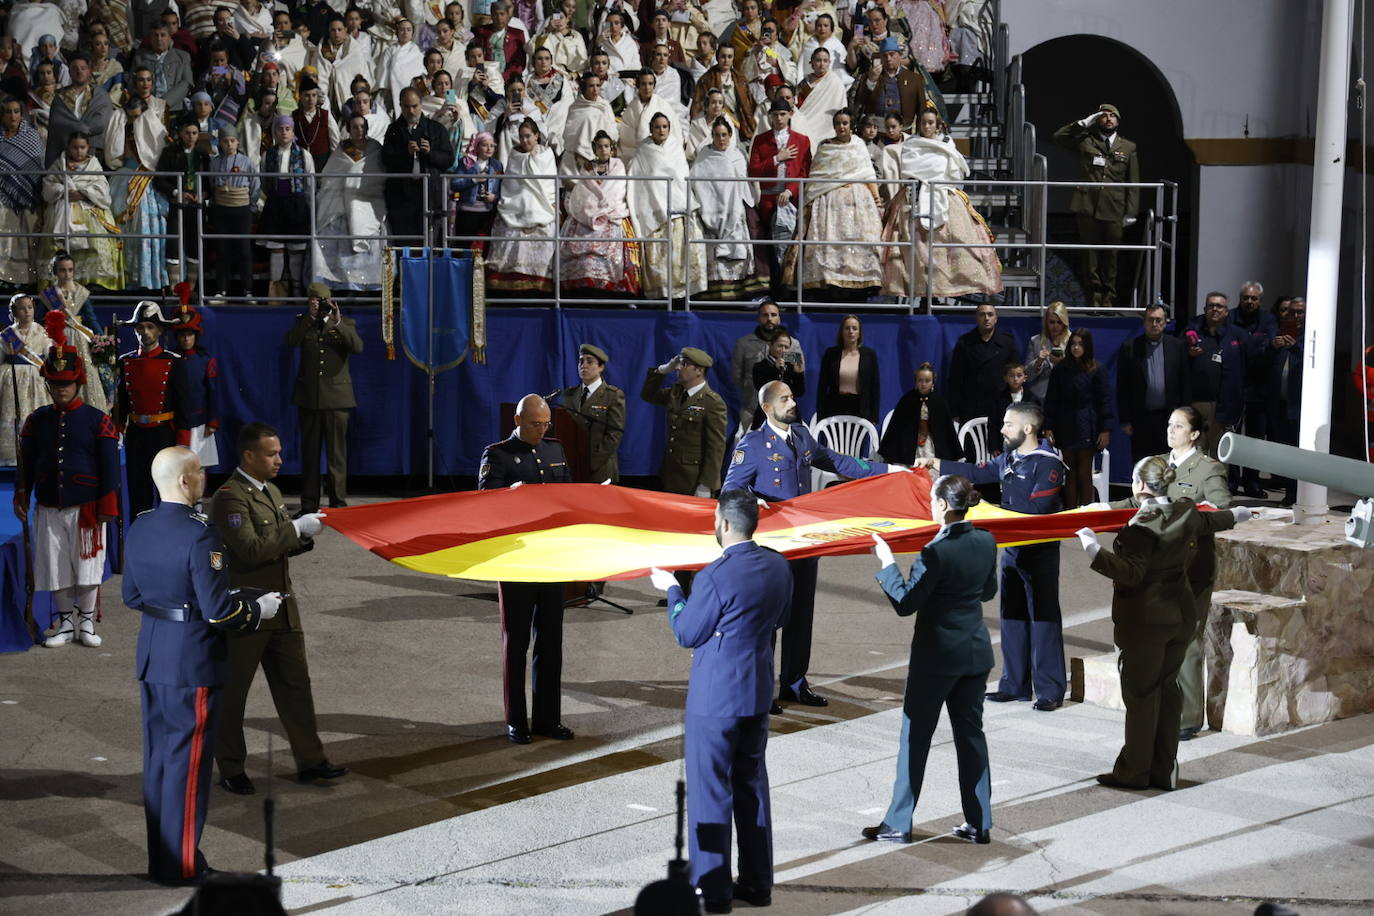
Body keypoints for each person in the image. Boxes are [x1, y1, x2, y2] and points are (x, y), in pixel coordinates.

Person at [123, 446, 279, 885]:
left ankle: (163, 859)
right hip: (192, 658)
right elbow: (217, 611)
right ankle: (182, 865)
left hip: (154, 654)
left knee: (158, 762)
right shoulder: (201, 535)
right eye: (199, 473)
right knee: (188, 767)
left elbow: (132, 597)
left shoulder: (140, 527)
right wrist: (257, 610)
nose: (204, 478)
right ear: (186, 482)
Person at [645, 490, 790, 913]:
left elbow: (687, 633)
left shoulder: (714, 575)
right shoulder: (780, 566)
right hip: (757, 691)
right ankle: (758, 883)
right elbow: (780, 618)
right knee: (751, 789)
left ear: (724, 524)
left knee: (711, 792)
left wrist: (673, 590)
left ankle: (713, 891)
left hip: (716, 697)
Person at [1077, 455, 1249, 790]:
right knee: (1168, 691)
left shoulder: (1142, 527)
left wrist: (1094, 550)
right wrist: (1237, 516)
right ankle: (1164, 769)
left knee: (1142, 696)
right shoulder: (1184, 511)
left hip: (1145, 621)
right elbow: (1209, 522)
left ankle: (1135, 772)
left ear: (1139, 484)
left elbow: (1132, 573)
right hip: (1179, 614)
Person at [725, 379, 897, 708]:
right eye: (785, 399)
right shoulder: (752, 444)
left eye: (792, 397)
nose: (793, 403)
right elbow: (731, 490)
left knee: (801, 615)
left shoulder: (802, 436)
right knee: (768, 618)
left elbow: (838, 462)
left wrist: (890, 470)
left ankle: (794, 682)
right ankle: (761, 689)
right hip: (771, 548)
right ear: (767, 408)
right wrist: (752, 502)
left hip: (804, 542)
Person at [210, 422, 345, 793]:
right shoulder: (229, 497)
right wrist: (295, 529)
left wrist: (305, 534)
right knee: (233, 693)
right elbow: (250, 550)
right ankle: (232, 767)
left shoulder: (268, 489)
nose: (279, 460)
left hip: (282, 607)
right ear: (249, 455)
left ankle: (311, 761)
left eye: (279, 453)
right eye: (271, 454)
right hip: (247, 612)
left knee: (296, 689)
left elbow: (279, 542)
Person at [863, 473, 996, 844]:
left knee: (915, 738)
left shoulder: (935, 551)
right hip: (975, 652)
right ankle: (980, 821)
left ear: (940, 505)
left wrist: (887, 562)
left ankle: (898, 822)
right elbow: (988, 591)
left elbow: (906, 603)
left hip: (937, 657)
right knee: (971, 738)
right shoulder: (986, 540)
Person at [1094, 405, 1229, 742]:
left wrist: (1182, 518)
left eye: (1179, 426)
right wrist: (1100, 510)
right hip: (1156, 565)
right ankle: (1161, 707)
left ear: (1195, 434)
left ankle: (1188, 717)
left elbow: (1219, 508)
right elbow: (1136, 501)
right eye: (1169, 424)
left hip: (1192, 565)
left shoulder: (1207, 469)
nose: (1171, 431)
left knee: (1188, 638)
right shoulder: (1158, 463)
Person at [931, 403, 1067, 711]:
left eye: (1008, 424)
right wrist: (933, 462)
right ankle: (1014, 684)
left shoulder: (1047, 463)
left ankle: (1050, 689)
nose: (1002, 429)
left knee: (1043, 619)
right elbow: (974, 472)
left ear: (1028, 428)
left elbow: (1037, 511)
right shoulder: (1010, 458)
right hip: (1012, 550)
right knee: (1012, 616)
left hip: (1040, 550)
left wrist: (988, 514)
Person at [477, 394, 576, 744]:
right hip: (517, 559)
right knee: (516, 642)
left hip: (550, 558)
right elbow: (485, 502)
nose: (542, 429)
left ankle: (548, 718)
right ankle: (516, 720)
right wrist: (509, 494)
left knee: (551, 642)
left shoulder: (555, 450)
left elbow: (567, 494)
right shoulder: (498, 454)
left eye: (546, 423)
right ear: (518, 420)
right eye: (536, 424)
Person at [15, 332, 120, 649]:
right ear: (48, 384)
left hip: (86, 509)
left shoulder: (98, 421)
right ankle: (65, 622)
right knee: (56, 565)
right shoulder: (36, 421)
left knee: (87, 567)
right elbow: (28, 464)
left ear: (78, 383)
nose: (62, 388)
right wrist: (22, 493)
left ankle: (86, 621)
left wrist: (108, 506)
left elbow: (110, 469)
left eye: (67, 383)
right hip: (48, 505)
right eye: (56, 383)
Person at [880, 104, 1001, 299]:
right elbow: (910, 169)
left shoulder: (946, 142)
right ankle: (920, 292)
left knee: (947, 244)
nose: (926, 126)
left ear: (937, 125)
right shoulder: (911, 144)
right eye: (923, 123)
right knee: (915, 246)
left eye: (930, 123)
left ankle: (944, 291)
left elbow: (954, 171)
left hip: (944, 193)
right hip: (915, 194)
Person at [286, 284, 363, 514]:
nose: (320, 305)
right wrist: (309, 317)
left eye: (323, 301)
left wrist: (337, 321)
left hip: (337, 399)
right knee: (309, 455)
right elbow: (291, 341)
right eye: (316, 301)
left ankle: (338, 503)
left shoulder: (344, 323)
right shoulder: (303, 322)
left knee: (336, 456)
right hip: (309, 399)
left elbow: (357, 347)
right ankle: (309, 504)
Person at [1052, 103, 1139, 307]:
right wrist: (1083, 123)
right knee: (1090, 259)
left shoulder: (1128, 147)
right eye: (1103, 116)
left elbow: (1133, 182)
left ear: (1118, 121)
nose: (1108, 119)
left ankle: (1108, 302)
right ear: (1097, 120)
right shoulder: (1086, 141)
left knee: (1111, 259)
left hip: (1114, 208)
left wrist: (1131, 211)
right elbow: (1059, 137)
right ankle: (1094, 302)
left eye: (1112, 116)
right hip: (1088, 207)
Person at [788, 108, 882, 295]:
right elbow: (817, 176)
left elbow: (867, 173)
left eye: (845, 123)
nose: (841, 127)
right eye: (838, 123)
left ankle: (859, 286)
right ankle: (829, 284)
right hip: (828, 202)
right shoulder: (825, 146)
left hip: (857, 202)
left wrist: (877, 199)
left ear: (851, 125)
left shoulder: (859, 145)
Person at [115, 301, 188, 519]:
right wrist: (118, 429)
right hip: (136, 434)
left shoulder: (173, 362)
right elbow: (122, 401)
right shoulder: (126, 361)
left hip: (163, 434)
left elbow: (184, 404)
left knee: (167, 493)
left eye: (150, 327)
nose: (145, 332)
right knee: (138, 493)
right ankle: (140, 537)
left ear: (160, 330)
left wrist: (183, 442)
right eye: (140, 328)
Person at [628, 112, 708, 300]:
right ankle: (662, 296)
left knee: (684, 254)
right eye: (657, 127)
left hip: (679, 209)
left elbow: (681, 177)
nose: (661, 130)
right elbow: (637, 182)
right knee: (660, 256)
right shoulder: (643, 151)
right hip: (655, 212)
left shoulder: (675, 148)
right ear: (651, 129)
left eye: (664, 126)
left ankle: (685, 297)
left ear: (670, 128)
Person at [560, 130, 641, 294]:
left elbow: (617, 189)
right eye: (599, 147)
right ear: (594, 149)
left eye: (606, 146)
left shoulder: (618, 165)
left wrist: (604, 204)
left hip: (612, 211)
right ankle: (582, 285)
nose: (603, 150)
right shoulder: (587, 167)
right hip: (588, 212)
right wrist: (594, 207)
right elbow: (582, 190)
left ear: (612, 148)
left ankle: (613, 287)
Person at [312, 114, 387, 291]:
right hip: (339, 200)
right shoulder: (343, 148)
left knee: (363, 216)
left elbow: (379, 174)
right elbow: (330, 175)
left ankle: (369, 285)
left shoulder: (375, 147)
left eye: (362, 127)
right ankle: (342, 284)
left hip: (368, 197)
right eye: (355, 127)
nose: (359, 130)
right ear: (349, 129)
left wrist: (359, 187)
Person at [641, 347, 728, 499]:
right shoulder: (676, 393)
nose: (678, 368)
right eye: (679, 364)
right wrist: (662, 370)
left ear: (699, 371)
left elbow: (716, 447)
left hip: (693, 478)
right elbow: (648, 395)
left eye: (684, 364)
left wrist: (706, 484)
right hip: (670, 473)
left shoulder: (712, 402)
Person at [41, 131, 123, 290]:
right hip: (63, 208)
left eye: (82, 147)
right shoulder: (59, 164)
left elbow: (102, 190)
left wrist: (84, 192)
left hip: (89, 207)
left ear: (88, 148)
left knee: (96, 242)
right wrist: (64, 190)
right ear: (68, 148)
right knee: (55, 244)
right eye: (75, 147)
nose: (78, 151)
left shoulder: (94, 165)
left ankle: (93, 281)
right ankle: (57, 282)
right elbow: (48, 186)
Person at [747, 96, 811, 296]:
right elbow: (753, 171)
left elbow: (805, 171)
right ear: (769, 116)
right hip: (767, 201)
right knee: (769, 249)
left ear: (790, 114)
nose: (779, 119)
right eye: (775, 115)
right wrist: (776, 158)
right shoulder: (761, 140)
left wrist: (791, 190)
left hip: (791, 199)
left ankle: (791, 292)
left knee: (792, 248)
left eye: (783, 114)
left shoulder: (802, 140)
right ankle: (772, 291)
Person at [485, 118, 558, 293]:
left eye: (528, 136)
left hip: (541, 203)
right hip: (516, 201)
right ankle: (506, 285)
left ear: (537, 136)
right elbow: (511, 184)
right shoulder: (514, 154)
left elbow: (549, 184)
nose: (524, 141)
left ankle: (540, 285)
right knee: (508, 229)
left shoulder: (546, 154)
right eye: (521, 137)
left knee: (546, 227)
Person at [1043, 329, 1113, 509]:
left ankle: (1086, 512)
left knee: (1084, 471)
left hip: (1087, 424)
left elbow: (1104, 401)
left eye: (1080, 344)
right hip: (1065, 423)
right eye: (1073, 344)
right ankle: (1070, 511)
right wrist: (1048, 426)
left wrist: (1105, 430)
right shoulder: (1060, 369)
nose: (1075, 347)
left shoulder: (1097, 368)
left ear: (1087, 346)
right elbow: (1052, 399)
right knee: (1069, 471)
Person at [1117, 303, 1191, 465]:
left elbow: (1185, 384)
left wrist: (1185, 418)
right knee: (1142, 466)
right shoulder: (1130, 348)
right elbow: (1122, 387)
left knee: (1168, 464)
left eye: (1158, 320)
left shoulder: (1177, 346)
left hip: (1169, 418)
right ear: (1144, 323)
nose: (1154, 324)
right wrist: (1125, 420)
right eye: (1150, 320)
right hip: (1140, 419)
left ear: (1165, 323)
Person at [381, 87, 457, 245]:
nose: (411, 111)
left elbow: (449, 159)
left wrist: (430, 153)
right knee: (405, 245)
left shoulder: (436, 129)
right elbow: (386, 158)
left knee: (431, 245)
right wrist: (405, 153)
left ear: (421, 105)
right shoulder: (393, 130)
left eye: (414, 106)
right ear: (400, 106)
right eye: (406, 107)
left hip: (430, 196)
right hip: (402, 199)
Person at [1180, 291, 1247, 458]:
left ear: (1226, 311)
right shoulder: (1192, 332)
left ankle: (1217, 484)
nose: (1215, 309)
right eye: (1211, 306)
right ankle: (1195, 484)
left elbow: (1250, 362)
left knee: (1220, 455)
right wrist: (1188, 353)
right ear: (1205, 309)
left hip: (1223, 405)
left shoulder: (1237, 335)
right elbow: (1177, 361)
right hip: (1195, 403)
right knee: (1194, 452)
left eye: (1219, 306)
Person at [1229, 282, 1278, 497]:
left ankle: (1252, 481)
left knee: (1255, 438)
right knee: (1231, 436)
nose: (1250, 302)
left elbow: (1269, 349)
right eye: (1246, 297)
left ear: (1260, 300)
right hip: (1233, 385)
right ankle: (1231, 480)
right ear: (1239, 298)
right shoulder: (1229, 317)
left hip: (1259, 387)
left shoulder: (1268, 320)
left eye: (1254, 298)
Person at [257, 116, 314, 300]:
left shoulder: (304, 155)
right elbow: (264, 181)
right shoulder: (268, 155)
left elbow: (309, 182)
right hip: (275, 205)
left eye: (287, 129)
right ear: (275, 132)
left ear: (293, 131)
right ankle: (276, 292)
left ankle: (297, 289)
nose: (284, 132)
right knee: (276, 248)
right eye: (280, 128)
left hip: (296, 205)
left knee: (296, 249)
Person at [154, 118, 211, 290]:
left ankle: (191, 289)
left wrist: (204, 194)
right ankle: (174, 287)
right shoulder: (169, 153)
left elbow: (210, 181)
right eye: (187, 133)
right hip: (176, 205)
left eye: (194, 133)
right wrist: (177, 192)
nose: (191, 137)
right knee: (174, 246)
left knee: (195, 246)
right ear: (180, 134)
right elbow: (160, 179)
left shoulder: (203, 156)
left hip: (197, 206)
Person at [947, 302, 1017, 433]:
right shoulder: (965, 343)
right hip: (972, 406)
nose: (986, 318)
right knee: (972, 449)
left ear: (996, 318)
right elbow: (955, 379)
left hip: (1001, 405)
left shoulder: (1008, 342)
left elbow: (1015, 375)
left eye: (990, 315)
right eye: (982, 315)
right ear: (976, 318)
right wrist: (955, 410)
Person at [731, 301, 801, 432]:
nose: (769, 318)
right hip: (751, 410)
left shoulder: (793, 344)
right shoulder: (744, 344)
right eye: (765, 315)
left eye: (773, 315)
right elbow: (737, 376)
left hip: (783, 410)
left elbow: (797, 373)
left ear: (779, 318)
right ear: (758, 318)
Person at [560, 343, 625, 483]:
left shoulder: (612, 395)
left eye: (589, 361)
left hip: (599, 468)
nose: (584, 365)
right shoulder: (569, 395)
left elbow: (614, 435)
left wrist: (590, 463)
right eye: (581, 361)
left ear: (601, 367)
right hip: (573, 467)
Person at [1262, 296, 1305, 506]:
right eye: (1290, 312)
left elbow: (1311, 364)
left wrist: (1295, 346)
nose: (1295, 316)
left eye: (1299, 312)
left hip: (1299, 407)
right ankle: (1289, 492)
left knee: (1299, 453)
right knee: (1284, 450)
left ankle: (1300, 494)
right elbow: (1262, 362)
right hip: (1278, 404)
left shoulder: (1310, 337)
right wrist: (1273, 347)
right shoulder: (1278, 333)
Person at [0, 98, 44, 288]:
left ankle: (28, 280)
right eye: (8, 112)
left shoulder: (32, 137)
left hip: (29, 196)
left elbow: (38, 167)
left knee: (28, 239)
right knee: (5, 238)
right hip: (3, 196)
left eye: (16, 111)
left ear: (22, 114)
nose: (13, 116)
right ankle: (5, 279)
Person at [880, 361, 960, 465]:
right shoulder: (907, 400)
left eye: (927, 381)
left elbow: (945, 430)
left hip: (931, 445)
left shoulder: (939, 402)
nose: (923, 384)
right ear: (916, 381)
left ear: (933, 382)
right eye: (920, 380)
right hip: (909, 446)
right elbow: (897, 427)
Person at [44, 52, 113, 171]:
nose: (79, 71)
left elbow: (101, 122)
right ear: (69, 72)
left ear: (89, 70)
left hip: (93, 152)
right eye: (75, 68)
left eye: (83, 68)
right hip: (65, 151)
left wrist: (80, 130)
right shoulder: (59, 97)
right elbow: (57, 123)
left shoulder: (101, 95)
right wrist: (80, 129)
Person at [0, 295, 48, 465]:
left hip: (35, 378)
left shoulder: (41, 331)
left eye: (30, 307)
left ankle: (36, 451)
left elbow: (47, 353)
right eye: (22, 308)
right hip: (11, 379)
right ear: (14, 312)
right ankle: (12, 454)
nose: (27, 312)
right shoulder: (7, 335)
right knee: (12, 413)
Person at [169, 305, 219, 469]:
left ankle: (198, 495)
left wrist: (212, 421)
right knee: (178, 466)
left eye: (189, 334)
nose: (186, 339)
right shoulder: (169, 359)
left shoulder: (205, 360)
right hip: (174, 421)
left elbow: (212, 391)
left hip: (199, 422)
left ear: (196, 336)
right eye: (182, 335)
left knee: (199, 466)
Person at [815, 314, 878, 423]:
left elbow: (875, 387)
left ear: (859, 332)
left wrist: (874, 416)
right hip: (835, 407)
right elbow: (822, 387)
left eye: (854, 328)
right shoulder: (831, 354)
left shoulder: (870, 355)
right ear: (841, 332)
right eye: (847, 328)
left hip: (860, 408)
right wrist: (820, 415)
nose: (851, 331)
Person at [854, 36, 926, 127]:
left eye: (892, 54)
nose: (888, 59)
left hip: (904, 132)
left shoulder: (914, 79)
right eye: (884, 55)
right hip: (876, 131)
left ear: (899, 55)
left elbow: (922, 111)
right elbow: (861, 103)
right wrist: (871, 81)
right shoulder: (869, 76)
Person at [450, 131, 503, 248]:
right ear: (477, 147)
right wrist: (473, 180)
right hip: (467, 210)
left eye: (492, 145)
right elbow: (454, 184)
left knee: (483, 247)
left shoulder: (497, 165)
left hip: (488, 212)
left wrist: (495, 197)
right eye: (485, 145)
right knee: (462, 246)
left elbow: (501, 187)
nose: (489, 149)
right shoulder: (466, 162)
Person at [749, 326, 804, 429]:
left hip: (789, 415)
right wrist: (775, 370)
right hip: (766, 415)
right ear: (770, 345)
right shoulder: (760, 366)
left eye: (786, 347)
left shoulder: (791, 366)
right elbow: (761, 388)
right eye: (780, 346)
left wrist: (799, 373)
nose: (783, 350)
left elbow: (799, 392)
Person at [132, 24, 194, 112]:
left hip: (174, 107)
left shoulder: (182, 57)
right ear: (150, 38)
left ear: (169, 37)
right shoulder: (140, 57)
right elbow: (132, 82)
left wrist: (164, 103)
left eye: (163, 35)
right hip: (147, 108)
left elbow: (187, 82)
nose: (159, 39)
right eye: (155, 35)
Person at [988, 362, 1040, 456]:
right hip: (1004, 445)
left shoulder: (1032, 399)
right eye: (1011, 376)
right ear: (1005, 378)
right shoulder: (998, 399)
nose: (1015, 379)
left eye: (1019, 375)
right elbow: (993, 424)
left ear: (1025, 378)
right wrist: (994, 447)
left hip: (1028, 445)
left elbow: (1037, 424)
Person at [1024, 301, 1070, 403]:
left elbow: (1081, 374)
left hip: (1066, 398)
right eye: (1052, 322)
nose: (1055, 326)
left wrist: (1063, 363)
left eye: (1059, 322)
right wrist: (1038, 362)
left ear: (1064, 323)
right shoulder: (1035, 341)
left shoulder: (1073, 341)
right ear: (1046, 322)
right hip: (1040, 398)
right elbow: (1027, 376)